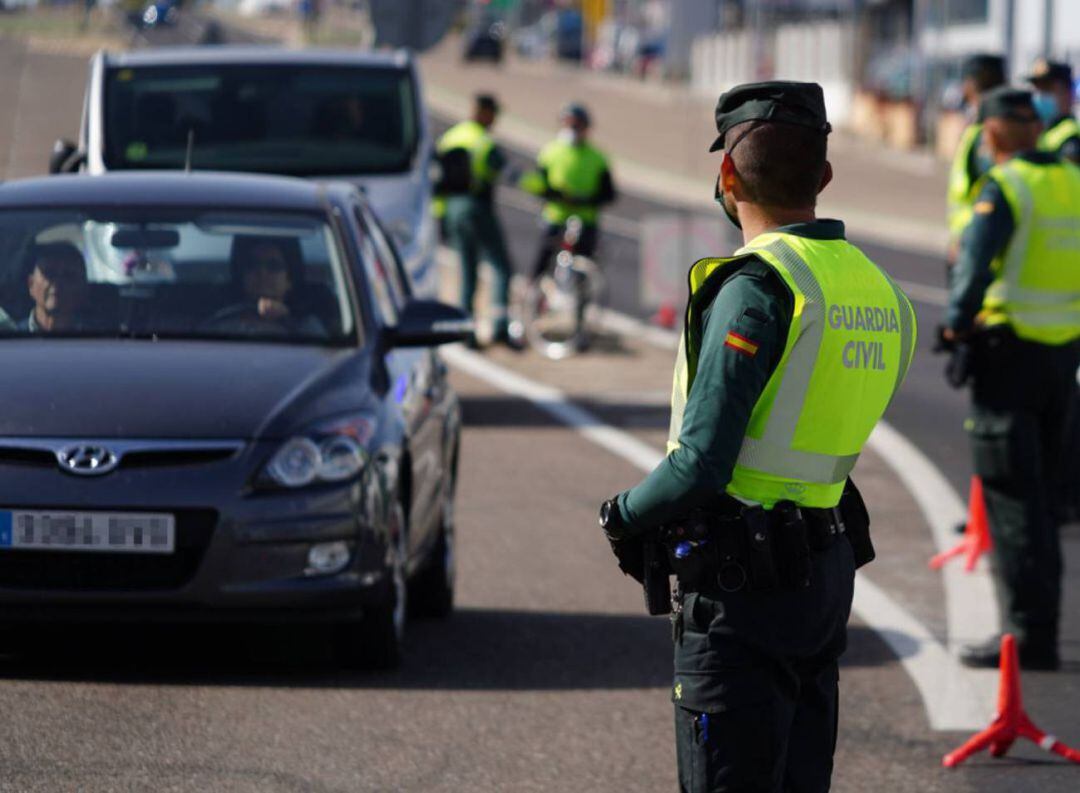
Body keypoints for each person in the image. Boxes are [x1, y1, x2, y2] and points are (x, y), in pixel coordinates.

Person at [598, 82, 916, 792]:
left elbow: (702, 461)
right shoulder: (881, 293)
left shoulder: (757, 287)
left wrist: (622, 514)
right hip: (824, 573)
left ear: (727, 175)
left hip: (742, 588)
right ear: (824, 177)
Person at [942, 87, 1080, 671]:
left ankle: (1032, 635)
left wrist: (954, 324)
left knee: (1014, 500)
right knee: (1049, 500)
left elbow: (972, 269)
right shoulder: (1073, 180)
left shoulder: (1005, 187)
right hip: (1065, 357)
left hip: (1010, 356)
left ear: (993, 133)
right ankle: (1042, 624)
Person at [434, 94, 518, 349]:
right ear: (485, 113)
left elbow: (437, 180)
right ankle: (500, 327)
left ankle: (466, 332)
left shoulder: (450, 137)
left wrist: (440, 216)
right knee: (501, 267)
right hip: (477, 206)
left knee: (468, 271)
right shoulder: (483, 142)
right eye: (494, 115)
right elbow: (507, 173)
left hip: (451, 209)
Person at [520, 102, 616, 279]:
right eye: (569, 123)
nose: (572, 128)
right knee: (543, 259)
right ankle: (532, 290)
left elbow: (609, 193)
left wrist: (586, 200)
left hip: (585, 220)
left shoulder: (597, 157)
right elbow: (536, 183)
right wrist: (553, 194)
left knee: (586, 266)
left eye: (577, 124)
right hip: (556, 216)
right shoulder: (550, 151)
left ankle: (580, 301)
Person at [948, 54, 1007, 262]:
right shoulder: (983, 125)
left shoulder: (987, 133)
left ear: (973, 84)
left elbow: (990, 190)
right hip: (973, 236)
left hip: (976, 240)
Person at [209, 236, 325, 337]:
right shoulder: (222, 322)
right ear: (242, 276)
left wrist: (287, 319)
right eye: (252, 265)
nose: (262, 273)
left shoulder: (306, 324)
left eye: (273, 266)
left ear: (289, 280)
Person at [21, 243, 90, 334]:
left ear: (82, 289)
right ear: (31, 284)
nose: (58, 281)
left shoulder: (101, 341)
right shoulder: (9, 339)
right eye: (49, 273)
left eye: (68, 275)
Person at [1025, 58, 1080, 163]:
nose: (1040, 96)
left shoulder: (1071, 137)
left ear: (1068, 93)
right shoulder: (1038, 130)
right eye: (1037, 89)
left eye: (1047, 89)